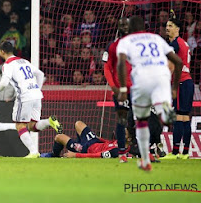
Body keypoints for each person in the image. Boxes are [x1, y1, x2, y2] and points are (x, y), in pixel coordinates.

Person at [116, 16, 182, 171]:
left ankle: (145, 160)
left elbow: (121, 63)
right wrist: (174, 88)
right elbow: (178, 62)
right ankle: (165, 113)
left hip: (141, 79)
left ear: (130, 28)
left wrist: (124, 90)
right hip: (162, 77)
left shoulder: (125, 41)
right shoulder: (156, 38)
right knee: (163, 114)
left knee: (141, 121)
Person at [0, 41, 62, 158]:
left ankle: (34, 152)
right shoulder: (24, 61)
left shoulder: (8, 65)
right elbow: (40, 74)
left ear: (1, 51)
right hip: (36, 95)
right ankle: (49, 121)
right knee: (32, 126)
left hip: (25, 97)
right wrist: (36, 89)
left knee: (20, 125)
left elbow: (3, 83)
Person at [163, 12, 195, 160]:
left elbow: (171, 65)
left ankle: (175, 152)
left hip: (181, 82)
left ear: (177, 29)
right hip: (188, 82)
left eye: (170, 26)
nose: (167, 28)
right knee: (185, 118)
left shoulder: (174, 44)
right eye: (166, 26)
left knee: (178, 117)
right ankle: (185, 152)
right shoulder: (184, 42)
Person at [102, 17, 132, 163]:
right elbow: (107, 67)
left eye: (126, 25)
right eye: (122, 25)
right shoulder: (112, 46)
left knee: (141, 119)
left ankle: (148, 151)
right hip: (120, 90)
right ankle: (122, 153)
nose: (124, 27)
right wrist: (113, 86)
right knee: (122, 120)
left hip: (137, 89)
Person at [41, 120, 119, 159]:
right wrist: (99, 138)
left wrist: (75, 155)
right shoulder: (118, 142)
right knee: (78, 123)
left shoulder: (116, 151)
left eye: (124, 133)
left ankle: (54, 155)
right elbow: (107, 142)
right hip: (93, 140)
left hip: (86, 149)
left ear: (129, 139)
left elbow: (98, 155)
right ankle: (78, 141)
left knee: (59, 137)